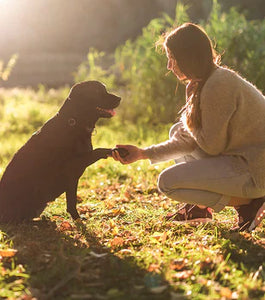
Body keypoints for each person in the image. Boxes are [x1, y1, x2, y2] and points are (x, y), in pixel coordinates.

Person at [112, 22, 265, 232]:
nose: (169, 66)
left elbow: (211, 146)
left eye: (172, 59)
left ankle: (249, 204)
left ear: (188, 57)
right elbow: (191, 139)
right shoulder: (207, 81)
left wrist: (190, 114)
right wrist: (142, 154)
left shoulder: (218, 84)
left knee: (167, 182)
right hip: (241, 158)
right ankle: (200, 209)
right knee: (177, 131)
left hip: (256, 169)